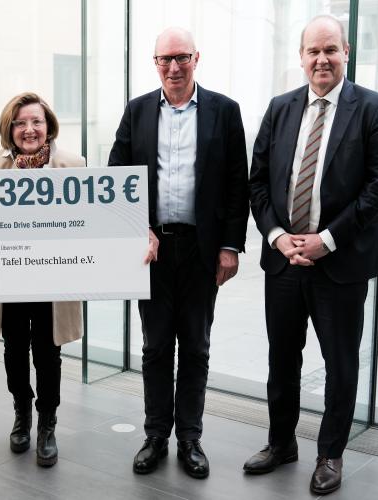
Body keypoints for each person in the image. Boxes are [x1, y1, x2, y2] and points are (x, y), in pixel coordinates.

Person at [246, 15, 378, 495]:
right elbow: (258, 182)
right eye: (313, 51)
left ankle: (330, 455)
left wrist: (327, 239)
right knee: (281, 359)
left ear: (346, 52)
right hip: (284, 260)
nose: (321, 59)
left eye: (330, 50)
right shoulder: (280, 108)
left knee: (341, 364)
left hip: (339, 263)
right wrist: (277, 236)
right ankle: (281, 443)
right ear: (301, 57)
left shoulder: (373, 109)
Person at [108, 27, 249, 477]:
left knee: (195, 347)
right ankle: (155, 436)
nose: (173, 67)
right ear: (155, 63)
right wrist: (138, 229)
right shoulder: (137, 111)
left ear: (196, 58)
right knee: (154, 348)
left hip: (201, 250)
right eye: (164, 59)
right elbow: (117, 176)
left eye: (181, 57)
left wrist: (230, 246)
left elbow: (237, 185)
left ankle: (190, 438)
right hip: (151, 251)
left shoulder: (225, 111)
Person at [0, 92, 84, 467]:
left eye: (36, 121)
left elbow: (85, 223)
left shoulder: (73, 164)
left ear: (48, 125)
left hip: (53, 278)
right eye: (20, 123)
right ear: (10, 128)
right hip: (9, 276)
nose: (29, 129)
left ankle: (47, 424)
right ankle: (22, 414)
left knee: (47, 353)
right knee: (14, 351)